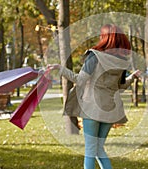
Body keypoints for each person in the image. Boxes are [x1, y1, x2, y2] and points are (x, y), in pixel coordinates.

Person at [48, 24, 141, 169]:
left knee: (90, 150)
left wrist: (60, 68)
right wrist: (133, 77)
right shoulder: (122, 62)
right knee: (99, 149)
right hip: (110, 110)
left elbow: (79, 80)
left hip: (92, 108)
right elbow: (120, 86)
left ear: (105, 38)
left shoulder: (94, 56)